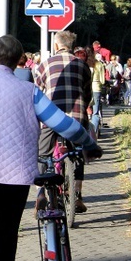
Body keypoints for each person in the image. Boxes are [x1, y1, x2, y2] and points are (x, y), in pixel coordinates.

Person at [0, 35, 102, 261]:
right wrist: (88, 143)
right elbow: (63, 124)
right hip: (12, 179)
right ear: (18, 61)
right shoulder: (29, 91)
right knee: (5, 238)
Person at [34, 30, 92, 213]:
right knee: (78, 153)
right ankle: (77, 195)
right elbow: (88, 92)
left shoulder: (45, 65)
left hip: (51, 118)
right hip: (76, 117)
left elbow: (38, 93)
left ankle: (40, 193)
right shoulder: (82, 65)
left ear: (56, 45)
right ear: (73, 47)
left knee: (42, 154)